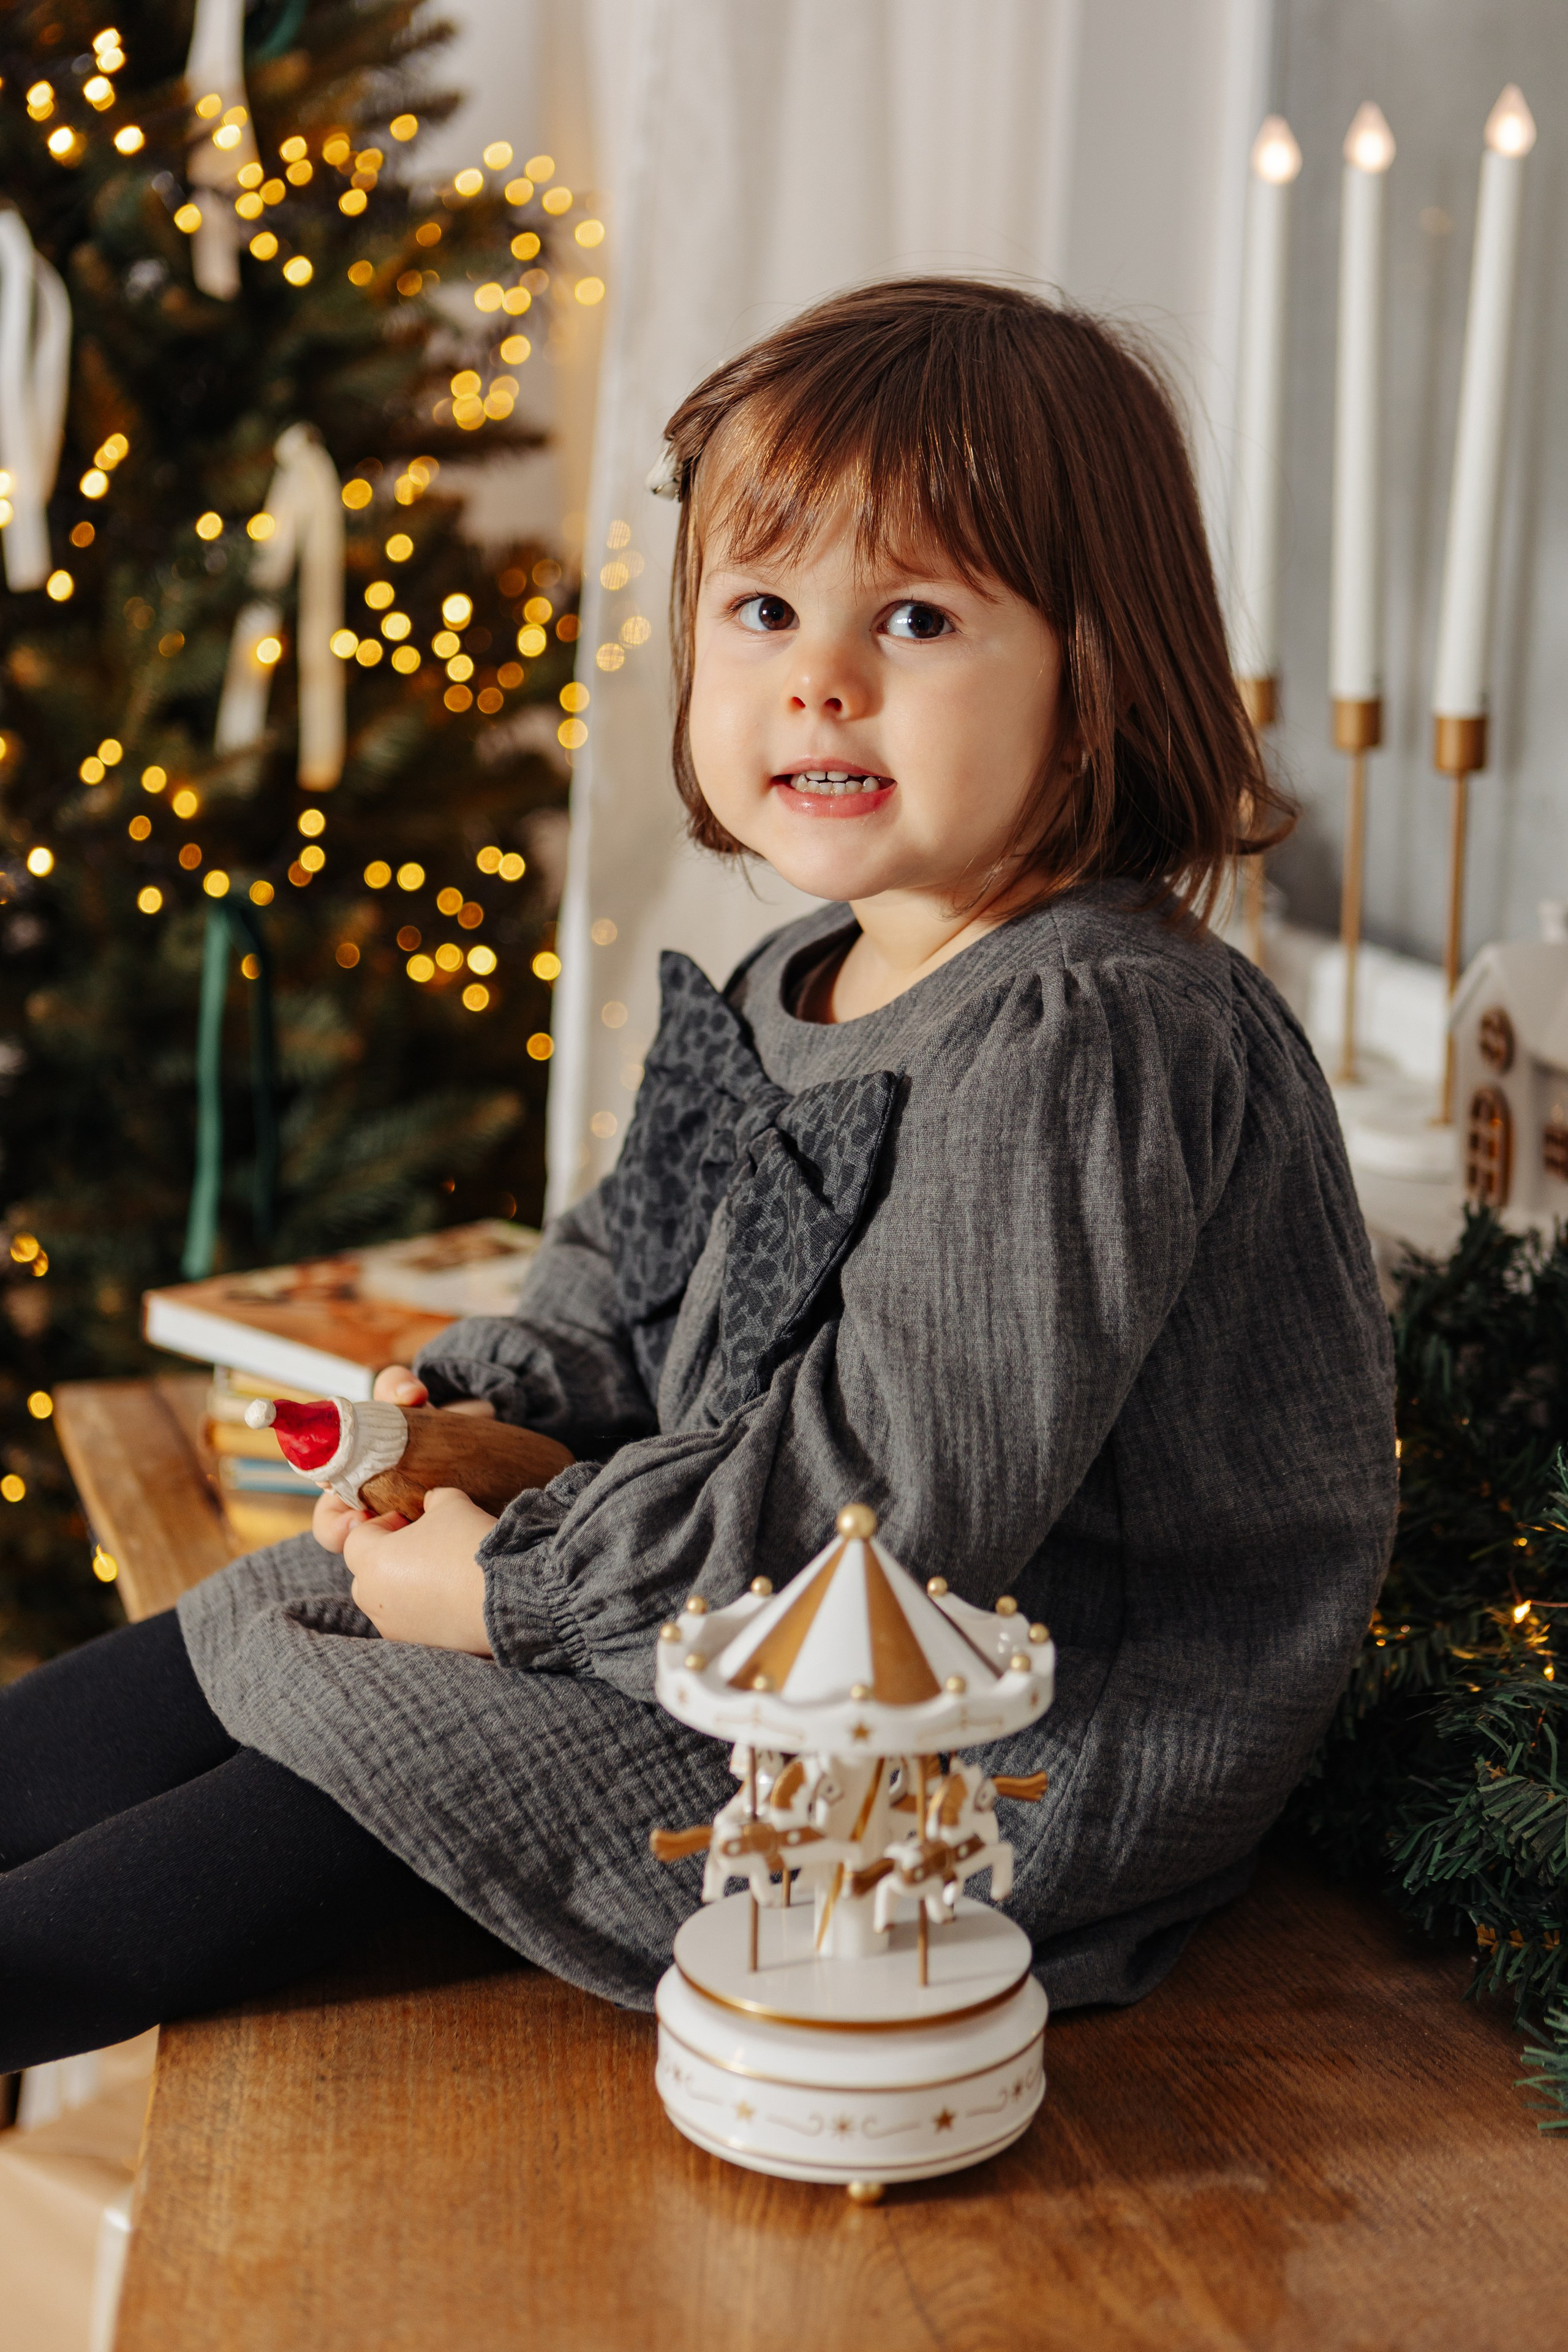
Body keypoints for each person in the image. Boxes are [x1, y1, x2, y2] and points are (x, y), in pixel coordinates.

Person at [1, 281, 1395, 2068]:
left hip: (976, 1751)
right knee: (211, 1652)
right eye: (761, 609)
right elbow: (624, 1279)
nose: (821, 676)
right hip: (719, 1598)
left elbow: (892, 1526)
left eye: (915, 616)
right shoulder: (800, 970)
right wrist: (443, 1419)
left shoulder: (1089, 1033)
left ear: (1096, 660)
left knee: (217, 1853)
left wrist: (510, 1594)